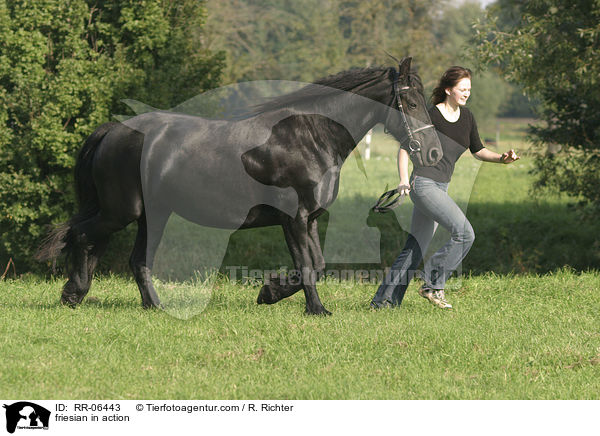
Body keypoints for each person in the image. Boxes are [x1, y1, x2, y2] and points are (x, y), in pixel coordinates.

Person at [371, 66, 519, 309]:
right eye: (463, 89)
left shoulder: (467, 117)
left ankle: (384, 302)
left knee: (414, 248)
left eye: (469, 89)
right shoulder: (430, 116)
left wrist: (502, 158)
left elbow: (478, 150)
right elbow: (405, 148)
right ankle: (432, 284)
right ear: (449, 89)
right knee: (465, 233)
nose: (467, 93)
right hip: (423, 184)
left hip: (441, 187)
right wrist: (403, 180)